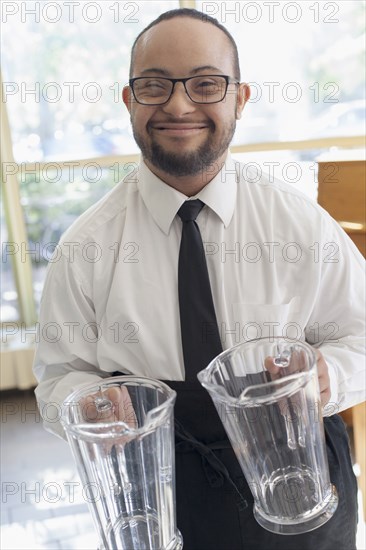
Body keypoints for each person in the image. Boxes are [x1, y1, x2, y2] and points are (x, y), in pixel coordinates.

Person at [33, 8, 365, 550]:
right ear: (129, 100)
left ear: (240, 98)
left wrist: (332, 376)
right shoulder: (86, 246)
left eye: (206, 84)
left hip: (302, 476)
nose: (179, 104)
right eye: (154, 85)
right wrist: (87, 404)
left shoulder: (298, 222)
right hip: (163, 493)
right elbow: (59, 379)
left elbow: (362, 333)